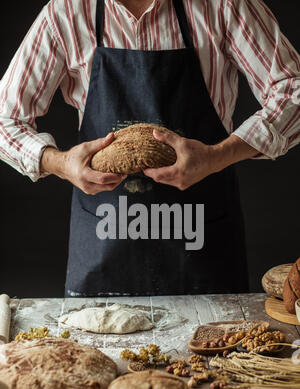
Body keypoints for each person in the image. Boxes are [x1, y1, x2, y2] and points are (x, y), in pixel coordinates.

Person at [0, 0, 299, 297]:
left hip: (203, 245)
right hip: (105, 240)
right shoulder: (68, 11)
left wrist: (219, 156)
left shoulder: (223, 6)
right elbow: (5, 119)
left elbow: (293, 90)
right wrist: (61, 163)